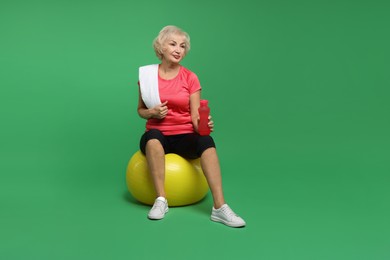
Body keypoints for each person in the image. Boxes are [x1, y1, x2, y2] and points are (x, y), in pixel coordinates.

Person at [137, 25, 246, 228]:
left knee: (206, 141)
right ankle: (161, 200)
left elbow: (196, 116)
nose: (179, 49)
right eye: (173, 44)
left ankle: (220, 208)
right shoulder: (147, 76)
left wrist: (204, 124)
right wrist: (152, 113)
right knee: (153, 137)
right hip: (157, 135)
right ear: (161, 47)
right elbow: (141, 110)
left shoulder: (190, 77)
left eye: (183, 46)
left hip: (184, 134)